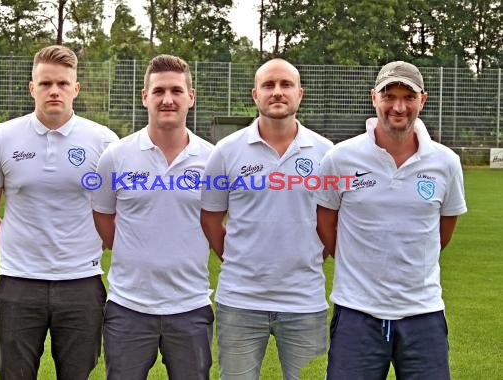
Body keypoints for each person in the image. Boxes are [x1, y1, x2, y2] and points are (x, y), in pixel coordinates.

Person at [0, 45, 119, 380]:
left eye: (63, 84)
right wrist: (20, 252)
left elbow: (120, 213)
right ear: (32, 87)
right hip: (18, 284)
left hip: (82, 283)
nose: (55, 91)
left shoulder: (104, 142)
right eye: (46, 83)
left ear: (76, 88)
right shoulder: (1, 139)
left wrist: (84, 251)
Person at [315, 61, 467, 380]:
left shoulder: (446, 162)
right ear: (374, 98)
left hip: (423, 312)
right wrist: (358, 261)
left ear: (422, 100)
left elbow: (443, 231)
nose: (398, 106)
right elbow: (325, 222)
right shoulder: (339, 158)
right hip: (357, 312)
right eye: (389, 95)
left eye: (408, 97)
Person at [200, 58, 333, 379]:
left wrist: (311, 256)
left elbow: (332, 222)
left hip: (305, 301)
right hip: (240, 301)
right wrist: (235, 257)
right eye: (268, 85)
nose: (277, 92)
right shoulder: (227, 151)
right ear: (254, 94)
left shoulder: (327, 153)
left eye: (286, 85)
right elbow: (210, 218)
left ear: (300, 94)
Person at [92, 54, 215, 380]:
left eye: (176, 90)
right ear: (145, 96)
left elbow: (219, 221)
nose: (168, 99)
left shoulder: (214, 160)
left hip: (190, 306)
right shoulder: (116, 156)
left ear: (191, 96)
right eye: (159, 91)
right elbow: (104, 218)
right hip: (128, 307)